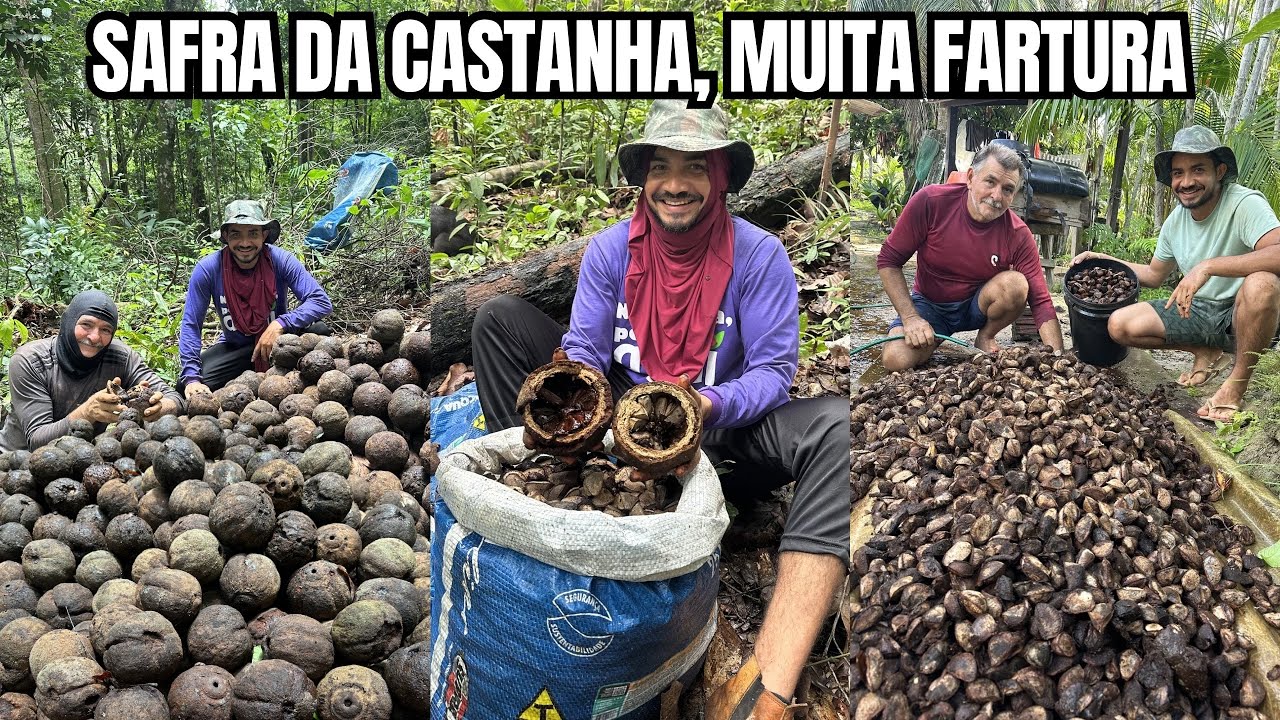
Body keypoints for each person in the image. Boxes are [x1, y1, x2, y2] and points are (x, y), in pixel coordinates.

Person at [470, 100, 849, 719]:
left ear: (720, 177)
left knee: (837, 424)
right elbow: (588, 347)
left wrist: (705, 406)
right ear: (643, 177)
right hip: (619, 433)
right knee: (498, 321)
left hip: (721, 440)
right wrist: (578, 396)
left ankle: (770, 685)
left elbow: (775, 374)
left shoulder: (759, 258)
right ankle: (545, 501)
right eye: (661, 167)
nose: (675, 184)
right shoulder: (611, 251)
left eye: (694, 168)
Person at [1072, 125, 1280, 422]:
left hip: (1241, 315)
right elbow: (1155, 275)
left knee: (1263, 283)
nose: (1186, 181)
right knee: (1119, 325)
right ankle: (1206, 353)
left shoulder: (1244, 204)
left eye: (1198, 170)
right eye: (1178, 173)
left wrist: (1208, 266)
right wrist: (1106, 259)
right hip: (1195, 312)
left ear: (1219, 171)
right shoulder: (1176, 220)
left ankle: (1236, 384)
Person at [876, 143, 1066, 370]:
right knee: (895, 359)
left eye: (1007, 189)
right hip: (930, 305)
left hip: (979, 306)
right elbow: (888, 260)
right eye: (990, 182)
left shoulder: (1018, 234)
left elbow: (1041, 301)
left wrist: (1057, 360)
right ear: (970, 178)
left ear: (1014, 195)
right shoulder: (931, 202)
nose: (997, 196)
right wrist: (910, 318)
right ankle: (934, 335)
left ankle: (985, 337)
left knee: (1016, 284)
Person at [179, 200, 333, 397]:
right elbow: (191, 324)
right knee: (190, 385)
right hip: (237, 346)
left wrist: (281, 323)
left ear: (264, 235)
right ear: (225, 236)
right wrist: (192, 378)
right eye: (236, 234)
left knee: (320, 332)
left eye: (253, 233)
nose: (245, 243)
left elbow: (320, 301)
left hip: (279, 344)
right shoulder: (208, 269)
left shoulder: (280, 260)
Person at [0, 290, 182, 451]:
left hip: (83, 459)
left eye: (105, 329)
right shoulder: (31, 360)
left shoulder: (120, 357)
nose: (95, 337)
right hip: (17, 459)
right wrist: (87, 412)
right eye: (86, 324)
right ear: (69, 323)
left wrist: (159, 407)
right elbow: (37, 441)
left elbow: (176, 399)